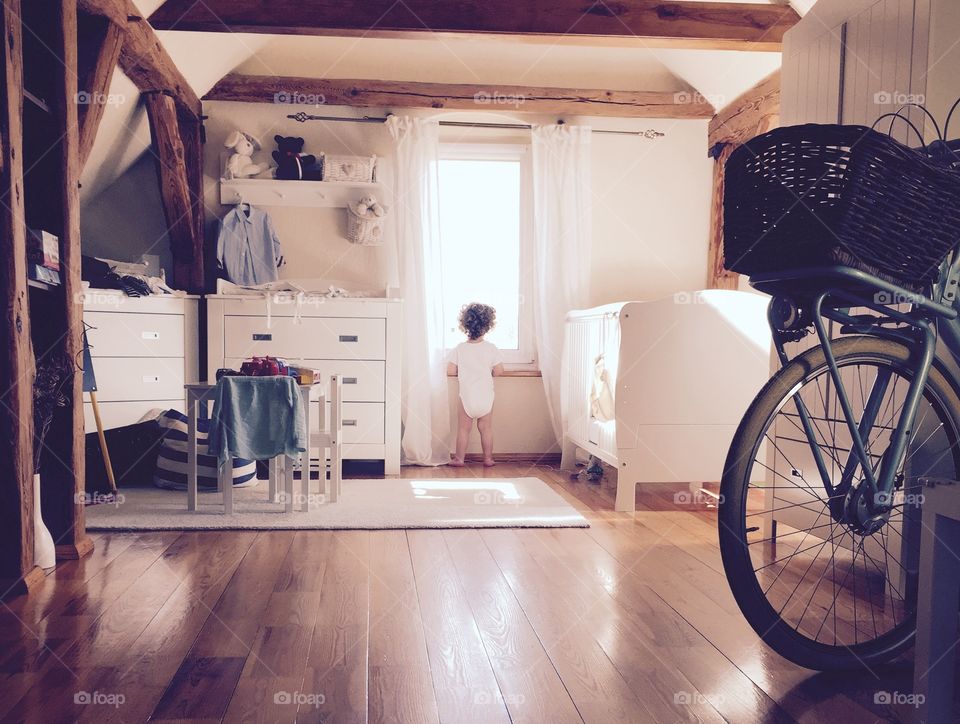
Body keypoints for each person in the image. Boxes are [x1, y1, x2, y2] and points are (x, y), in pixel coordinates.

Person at [447, 303, 504, 467]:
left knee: (463, 429)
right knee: (486, 429)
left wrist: (464, 370)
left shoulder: (460, 348)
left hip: (467, 397)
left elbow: (450, 370)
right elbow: (499, 371)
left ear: (465, 325)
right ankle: (488, 459)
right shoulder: (491, 348)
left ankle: (459, 459)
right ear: (488, 326)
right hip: (485, 397)